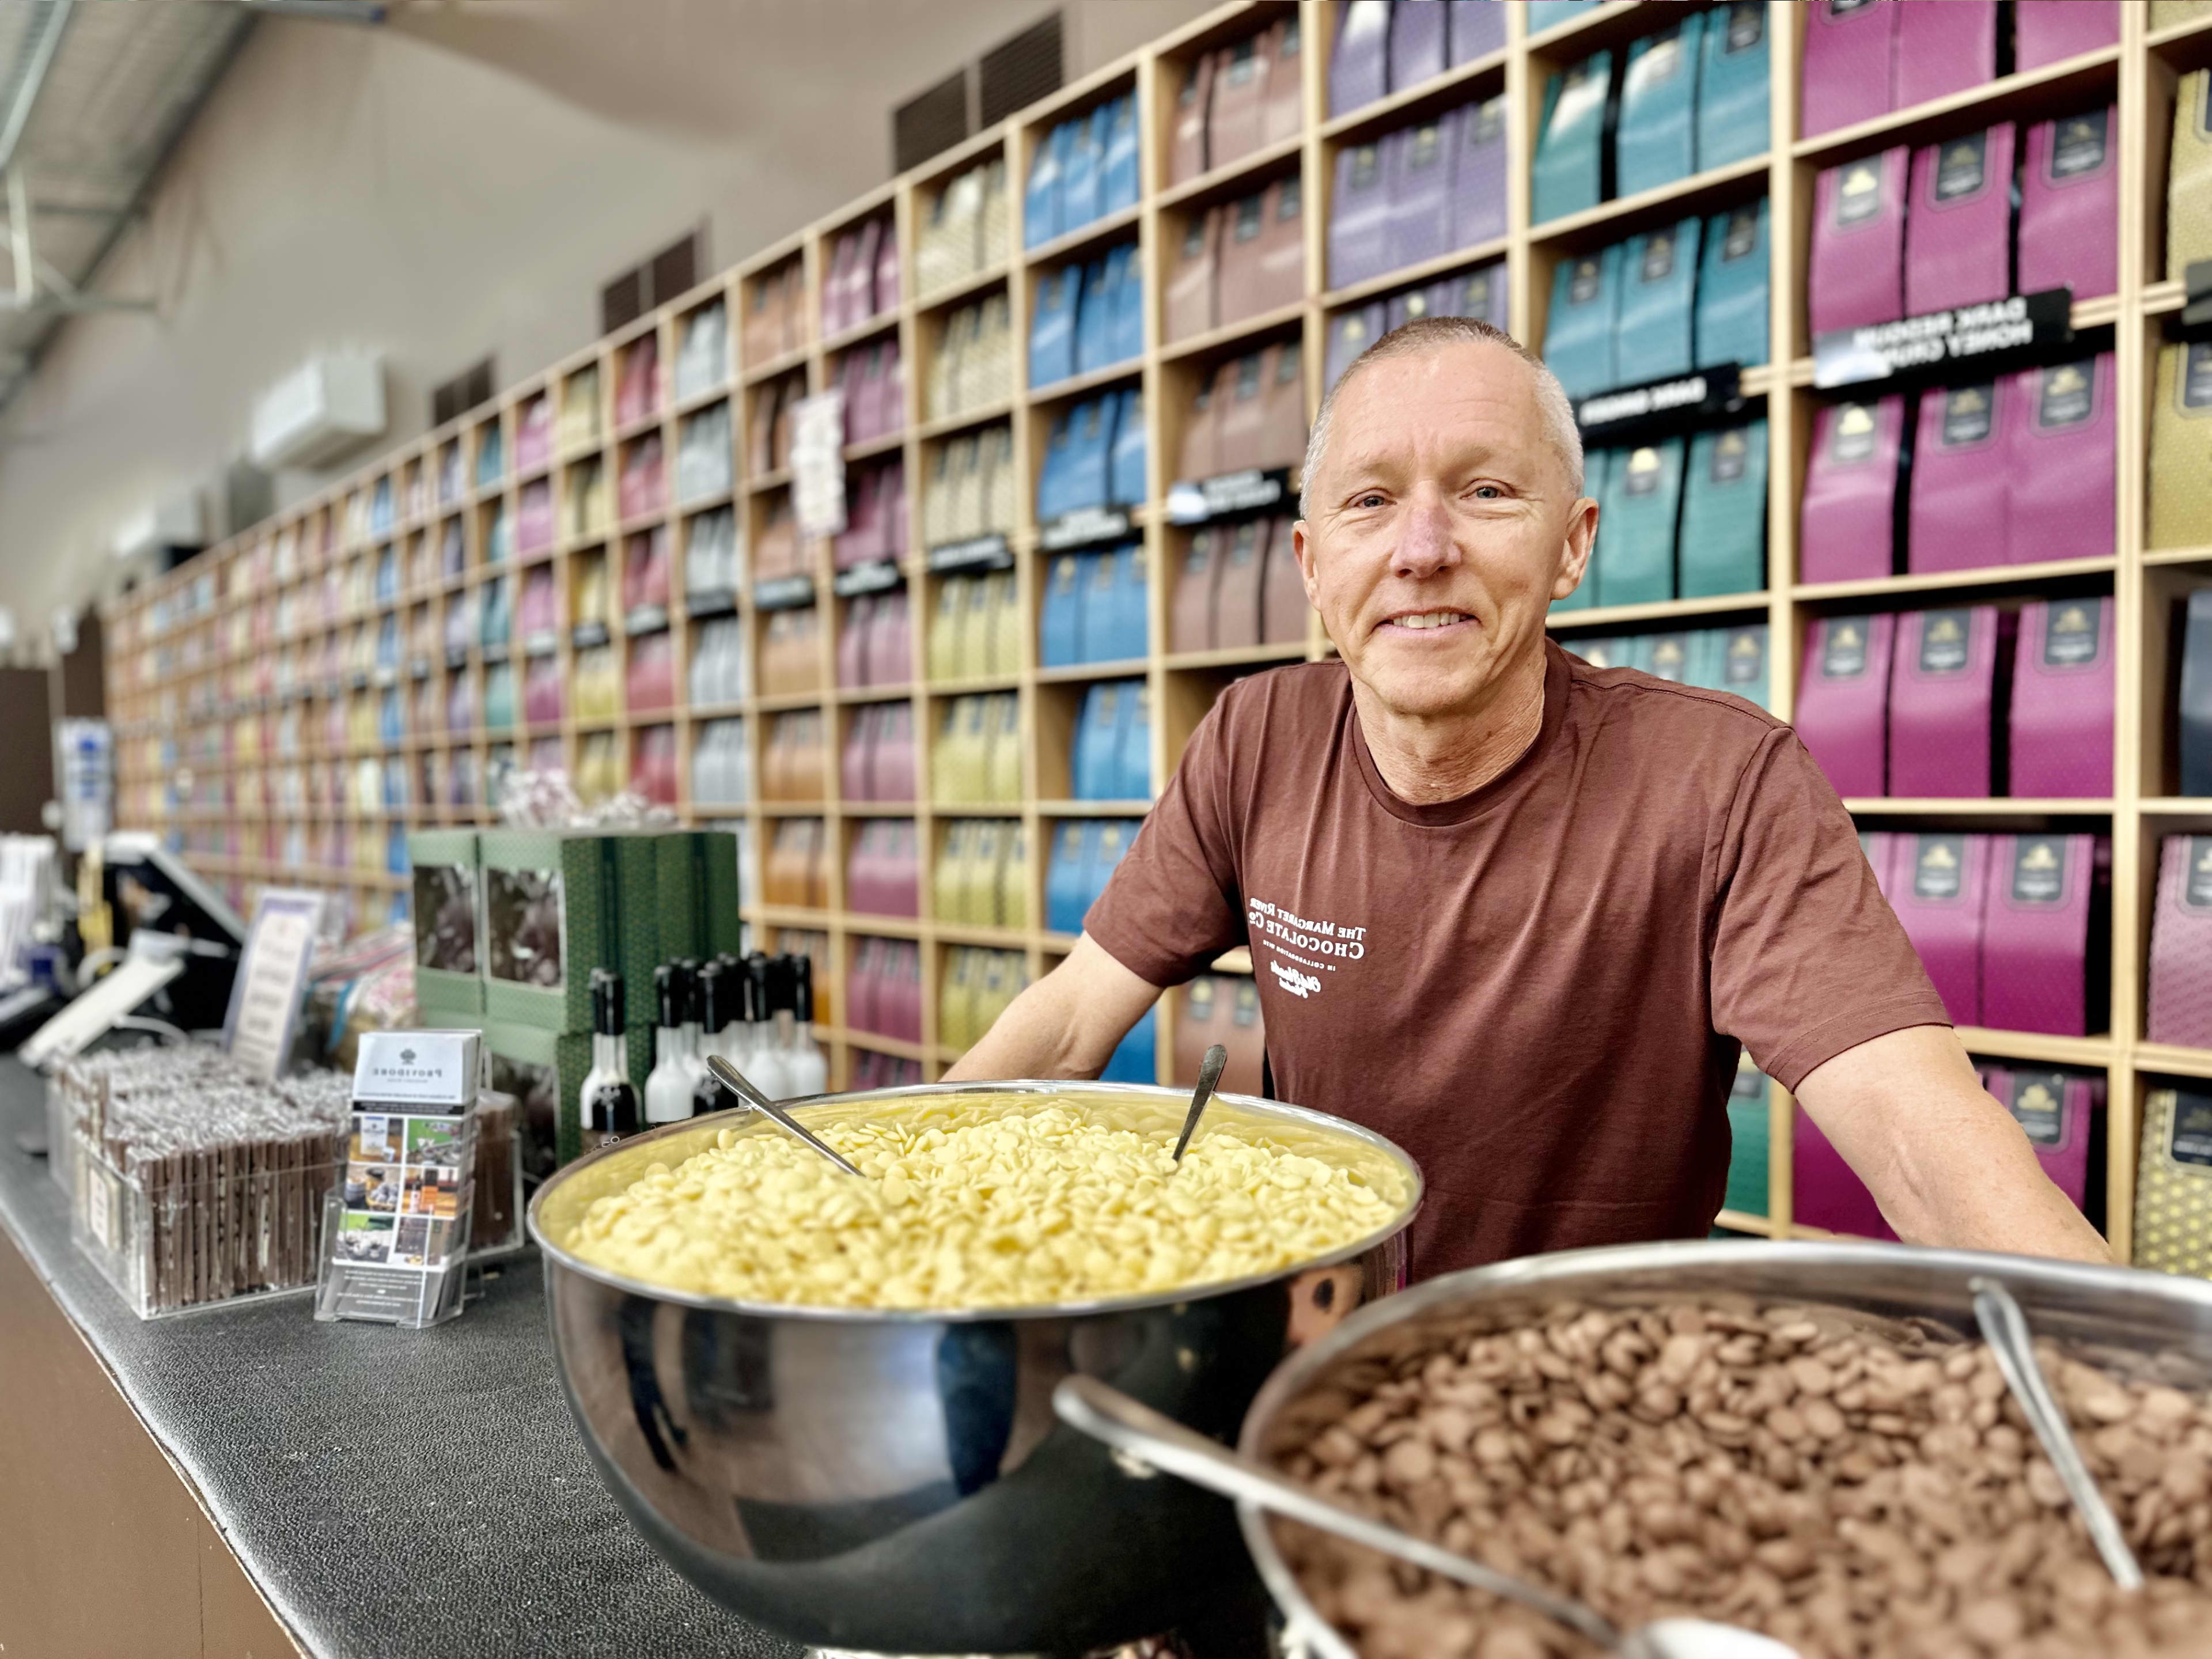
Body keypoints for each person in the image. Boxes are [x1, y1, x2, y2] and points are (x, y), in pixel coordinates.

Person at [947, 316, 2110, 1279]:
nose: (1421, 548)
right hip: (1307, 1368)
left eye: (1487, 491)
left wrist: (2158, 1380)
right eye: (1368, 503)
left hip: (1593, 1405)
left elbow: (1923, 1144)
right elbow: (1067, 1020)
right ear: (1310, 564)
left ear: (1572, 544)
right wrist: (882, 1184)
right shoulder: (1256, 737)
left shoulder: (1725, 782)